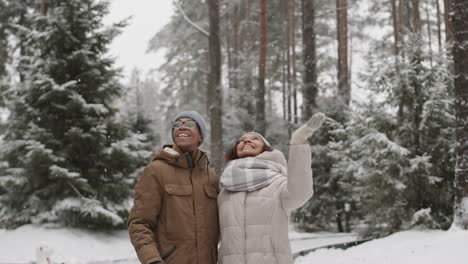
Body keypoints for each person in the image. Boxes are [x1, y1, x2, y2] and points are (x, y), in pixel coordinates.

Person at [217, 112, 326, 264]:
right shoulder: (225, 191)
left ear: (265, 149)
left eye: (255, 139)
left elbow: (301, 193)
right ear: (235, 150)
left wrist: (298, 142)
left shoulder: (278, 183)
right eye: (241, 140)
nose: (247, 141)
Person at [128, 111, 219, 264]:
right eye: (177, 125)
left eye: (189, 124)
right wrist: (152, 260)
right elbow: (139, 222)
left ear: (200, 136)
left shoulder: (211, 177)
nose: (181, 127)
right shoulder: (156, 170)